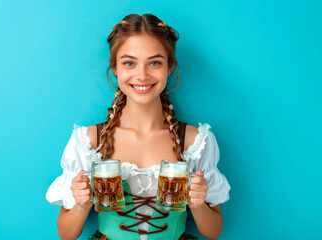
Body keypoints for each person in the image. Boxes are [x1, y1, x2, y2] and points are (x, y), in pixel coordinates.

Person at [46, 13, 231, 240]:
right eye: (129, 63)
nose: (142, 75)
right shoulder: (89, 141)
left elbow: (213, 231)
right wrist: (83, 205)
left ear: (170, 66)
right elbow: (66, 234)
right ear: (115, 68)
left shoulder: (195, 142)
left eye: (155, 62)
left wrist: (198, 204)